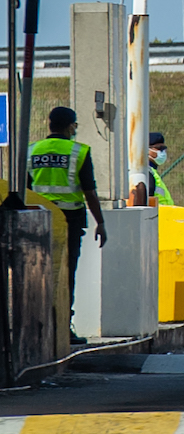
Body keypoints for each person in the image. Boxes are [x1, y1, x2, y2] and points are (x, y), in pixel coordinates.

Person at [27, 107, 108, 345]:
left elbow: (25, 189)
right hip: (69, 220)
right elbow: (89, 191)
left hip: (37, 220)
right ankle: (63, 326)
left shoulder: (32, 150)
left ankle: (36, 327)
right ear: (71, 126)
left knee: (37, 275)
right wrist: (100, 222)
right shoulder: (79, 151)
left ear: (49, 124)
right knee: (65, 274)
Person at [148, 132, 174, 206]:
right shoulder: (147, 173)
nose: (162, 152)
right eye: (159, 149)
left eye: (163, 149)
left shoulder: (153, 172)